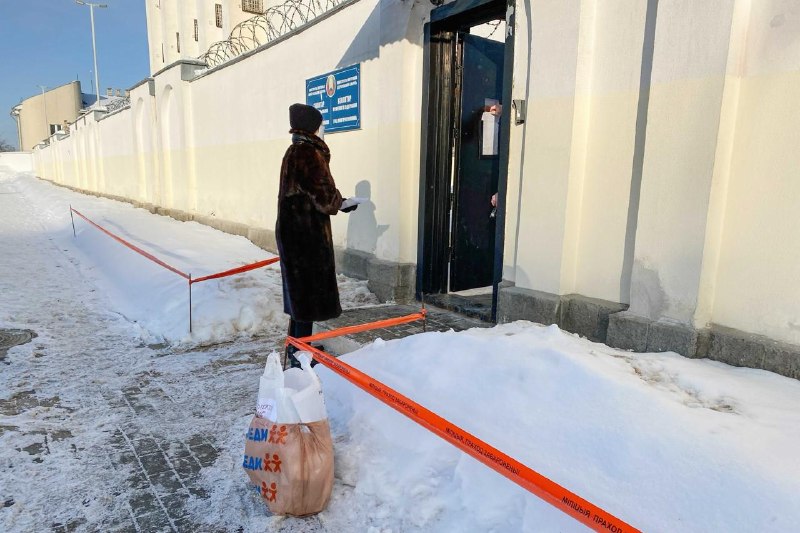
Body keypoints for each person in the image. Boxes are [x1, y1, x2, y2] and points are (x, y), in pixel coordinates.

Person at [276, 103, 357, 368]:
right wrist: (343, 203)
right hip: (306, 236)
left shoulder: (293, 151)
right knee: (307, 296)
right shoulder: (309, 153)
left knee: (299, 296)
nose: (323, 129)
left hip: (293, 232)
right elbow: (323, 196)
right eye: (321, 125)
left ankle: (298, 347)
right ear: (312, 126)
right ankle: (301, 356)